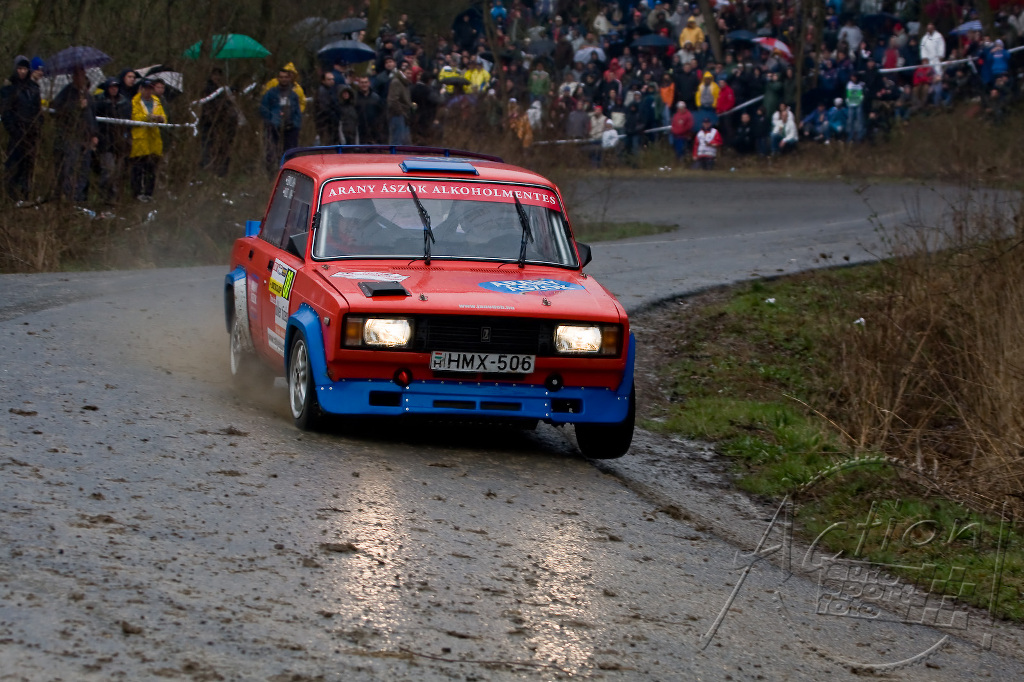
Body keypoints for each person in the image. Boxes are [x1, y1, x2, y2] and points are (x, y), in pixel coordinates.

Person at [51, 66, 98, 202]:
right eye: (79, 75)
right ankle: (69, 195)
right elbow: (56, 109)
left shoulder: (87, 95)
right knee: (70, 167)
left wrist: (94, 134)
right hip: (71, 136)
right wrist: (76, 106)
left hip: (86, 137)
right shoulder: (67, 92)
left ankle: (79, 197)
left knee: (84, 169)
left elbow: (92, 116)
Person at [1, 55, 42, 202]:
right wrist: (14, 130)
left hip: (31, 134)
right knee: (13, 165)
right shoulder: (8, 90)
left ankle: (25, 195)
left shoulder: (34, 89)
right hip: (16, 133)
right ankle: (10, 196)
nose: (22, 72)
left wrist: (37, 128)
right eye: (19, 68)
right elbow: (6, 113)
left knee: (28, 166)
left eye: (24, 69)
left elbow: (38, 111)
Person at [93, 77, 131, 203]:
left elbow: (128, 122)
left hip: (120, 141)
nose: (114, 89)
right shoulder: (100, 102)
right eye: (111, 87)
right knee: (108, 169)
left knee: (118, 171)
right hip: (105, 140)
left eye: (116, 87)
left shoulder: (125, 103)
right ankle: (104, 195)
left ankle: (114, 198)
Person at [259, 68, 303, 173]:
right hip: (274, 127)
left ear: (289, 78)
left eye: (286, 77)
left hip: (290, 127)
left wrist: (296, 124)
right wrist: (270, 121)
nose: (284, 79)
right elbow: (264, 108)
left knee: (290, 152)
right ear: (278, 78)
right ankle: (272, 174)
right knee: (272, 152)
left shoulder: (293, 94)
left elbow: (297, 111)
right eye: (281, 77)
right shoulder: (270, 93)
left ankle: (289, 172)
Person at [129, 79, 166, 201]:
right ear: (141, 89)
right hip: (140, 140)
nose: (148, 91)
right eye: (146, 89)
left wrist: (160, 119)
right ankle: (137, 193)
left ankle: (149, 193)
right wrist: (148, 117)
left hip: (154, 140)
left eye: (150, 89)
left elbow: (164, 116)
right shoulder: (135, 101)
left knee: (152, 169)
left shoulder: (157, 101)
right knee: (138, 168)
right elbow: (134, 117)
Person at [198, 68, 239, 177]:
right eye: (214, 75)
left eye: (218, 75)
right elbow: (212, 105)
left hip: (221, 124)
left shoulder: (221, 89)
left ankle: (219, 170)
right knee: (208, 146)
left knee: (222, 147)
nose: (216, 77)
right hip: (209, 123)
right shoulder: (208, 89)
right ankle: (207, 169)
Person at [386, 60, 413, 145]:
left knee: (405, 142)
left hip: (404, 115)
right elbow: (393, 100)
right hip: (397, 115)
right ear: (402, 72)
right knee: (397, 141)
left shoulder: (406, 83)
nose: (409, 75)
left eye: (410, 73)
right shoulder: (396, 82)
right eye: (407, 73)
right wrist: (401, 112)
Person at [313, 70, 342, 146]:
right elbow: (325, 108)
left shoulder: (330, 90)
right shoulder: (322, 92)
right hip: (325, 123)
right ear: (323, 81)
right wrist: (334, 116)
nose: (332, 81)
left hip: (331, 123)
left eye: (332, 79)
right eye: (329, 79)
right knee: (327, 144)